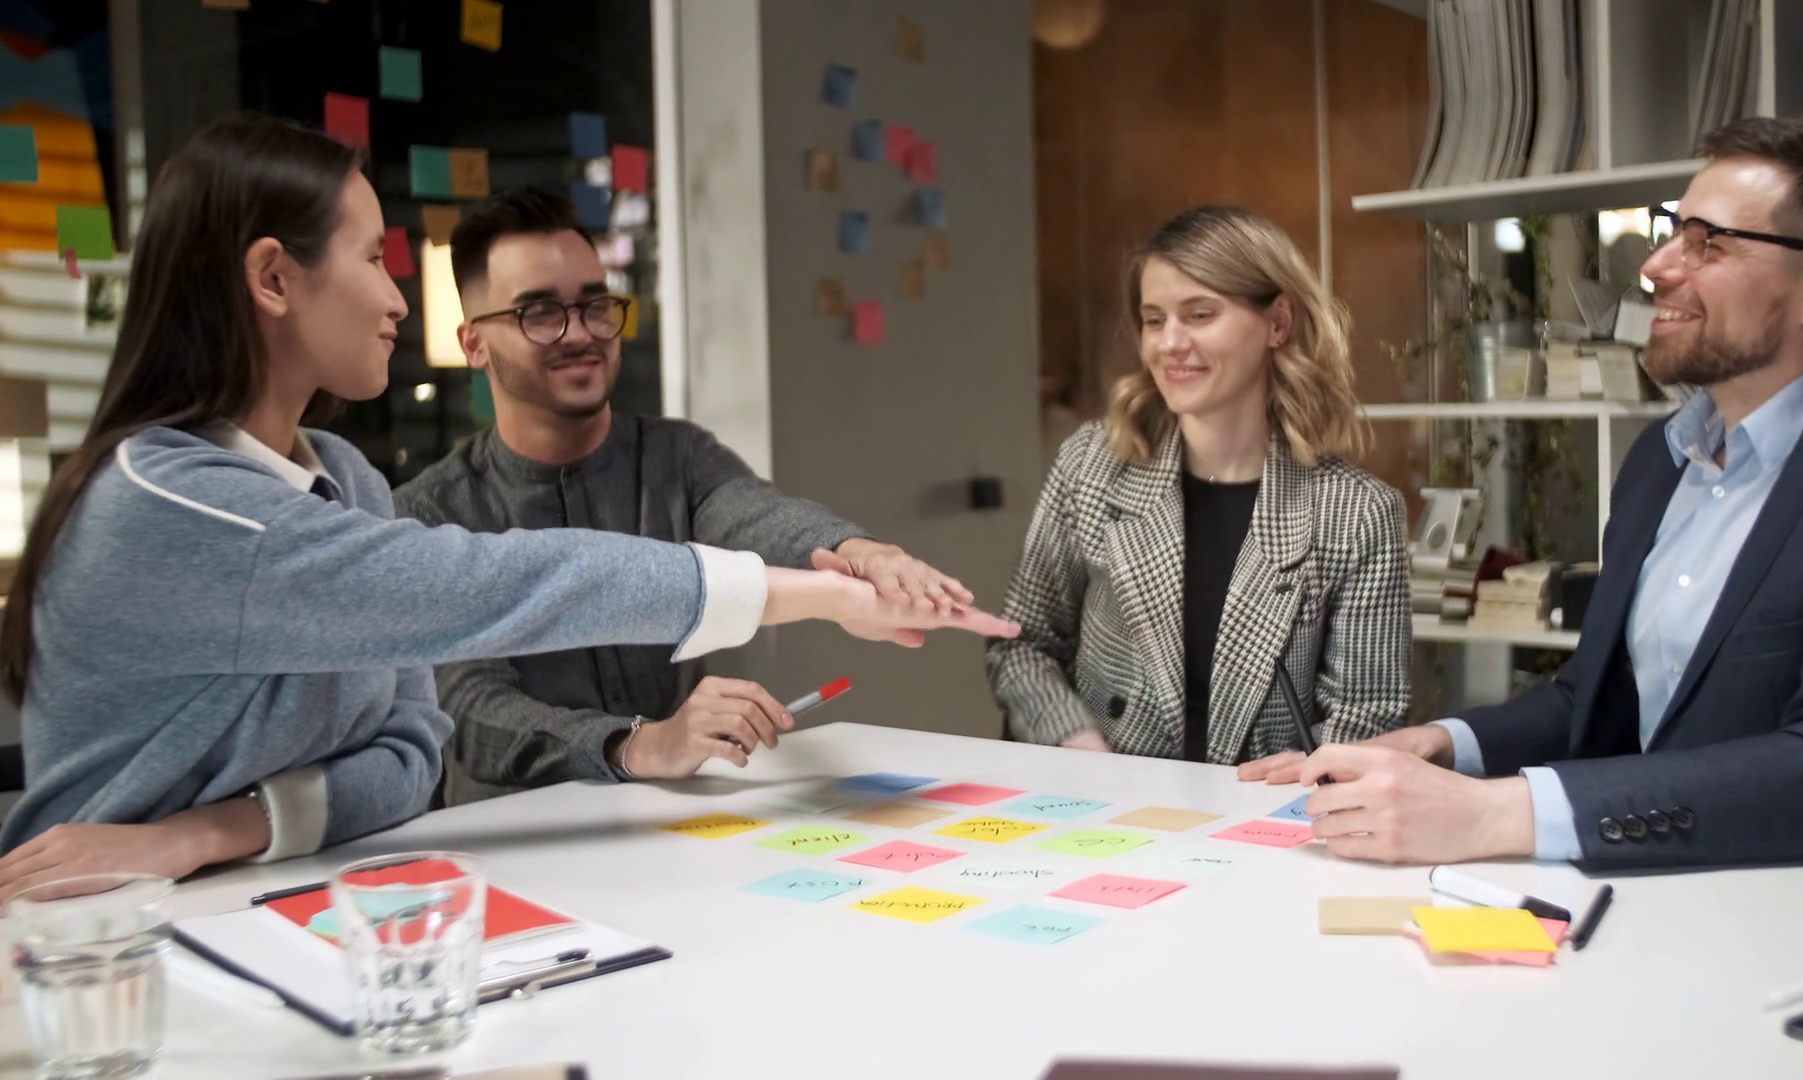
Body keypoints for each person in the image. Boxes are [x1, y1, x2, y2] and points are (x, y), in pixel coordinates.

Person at [0, 114, 1015, 900]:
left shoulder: (344, 481)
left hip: (280, 900)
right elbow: (495, 600)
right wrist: (801, 610)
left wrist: (202, 832)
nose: (396, 301)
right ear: (273, 277)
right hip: (103, 936)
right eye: (371, 259)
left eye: (594, 304)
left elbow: (406, 756)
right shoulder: (172, 503)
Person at [1240, 115, 1803, 870]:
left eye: (1709, 243)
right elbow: (1599, 699)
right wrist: (1445, 746)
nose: (1657, 266)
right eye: (1673, 229)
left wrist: (1495, 814)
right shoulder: (1663, 459)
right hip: (1664, 904)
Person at [395, 187, 978, 804]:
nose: (581, 333)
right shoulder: (430, 513)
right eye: (539, 313)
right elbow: (468, 707)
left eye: (595, 305)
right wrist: (638, 744)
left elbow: (756, 516)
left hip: (676, 820)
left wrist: (862, 553)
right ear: (473, 343)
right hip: (513, 838)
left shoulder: (676, 456)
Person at [987, 205, 1411, 763]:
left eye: (1200, 315)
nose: (1168, 343)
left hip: (1262, 809)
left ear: (1278, 323)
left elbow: (1368, 712)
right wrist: (1078, 745)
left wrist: (1311, 770)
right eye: (1154, 319)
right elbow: (1023, 644)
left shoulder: (1358, 513)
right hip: (1101, 801)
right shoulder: (1091, 466)